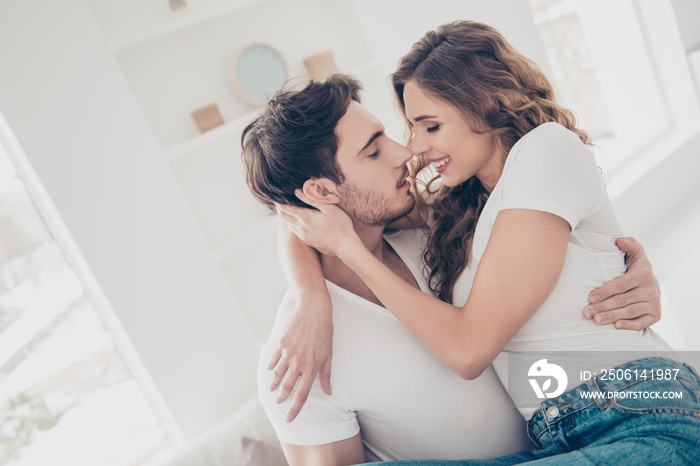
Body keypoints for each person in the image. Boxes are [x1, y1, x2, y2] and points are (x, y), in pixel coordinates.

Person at [275, 21, 700, 465]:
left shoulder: (547, 150)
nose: (415, 147)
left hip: (645, 416)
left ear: (482, 106)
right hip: (560, 436)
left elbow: (468, 349)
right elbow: (299, 212)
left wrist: (351, 252)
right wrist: (311, 299)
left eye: (431, 126)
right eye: (412, 128)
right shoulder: (457, 207)